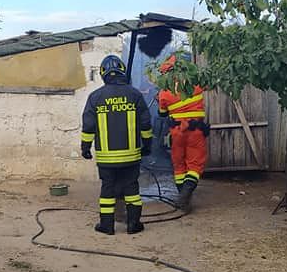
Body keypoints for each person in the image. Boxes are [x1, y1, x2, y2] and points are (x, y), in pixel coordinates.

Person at [81, 54, 153, 235]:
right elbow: (145, 124)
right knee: (132, 189)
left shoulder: (95, 97)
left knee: (108, 189)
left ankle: (106, 226)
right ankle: (133, 225)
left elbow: (88, 126)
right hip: (131, 157)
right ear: (122, 71)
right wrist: (148, 145)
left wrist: (85, 148)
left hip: (106, 159)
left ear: (103, 73)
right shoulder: (135, 94)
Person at [157, 54, 209, 210]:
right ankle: (185, 196)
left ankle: (183, 199)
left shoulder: (164, 92)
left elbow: (162, 114)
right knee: (195, 165)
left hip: (176, 132)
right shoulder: (195, 83)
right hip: (196, 131)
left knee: (179, 166)